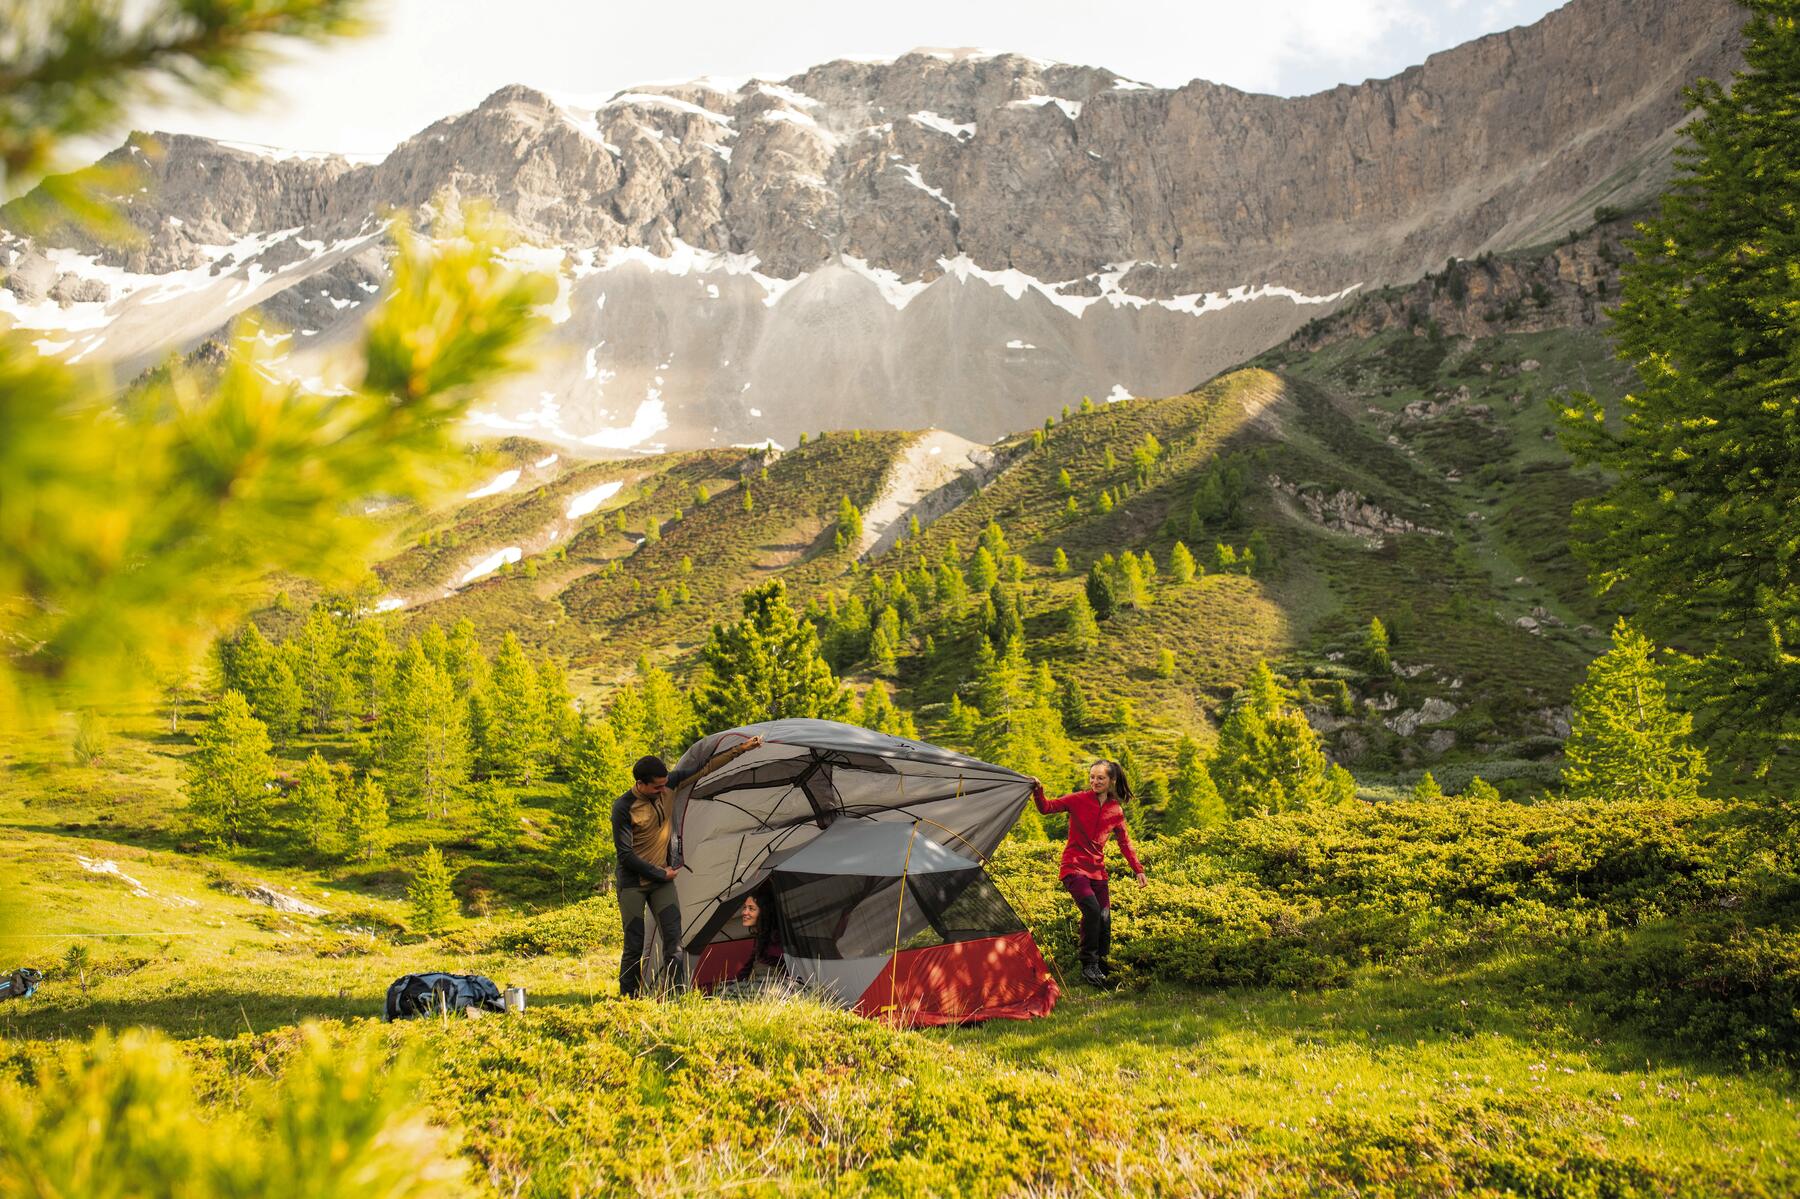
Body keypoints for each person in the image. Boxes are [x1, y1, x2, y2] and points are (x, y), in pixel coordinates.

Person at [614, 735, 761, 998]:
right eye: (657, 787)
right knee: (634, 945)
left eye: (664, 784)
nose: (663, 789)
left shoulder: (670, 783)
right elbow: (625, 855)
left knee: (674, 941)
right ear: (640, 784)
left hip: (661, 882)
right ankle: (628, 999)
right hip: (633, 884)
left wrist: (741, 749)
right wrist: (661, 872)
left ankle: (675, 995)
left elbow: (706, 766)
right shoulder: (624, 808)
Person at [1032, 760, 1147, 987]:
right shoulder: (1077, 799)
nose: (1095, 781)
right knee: (1093, 910)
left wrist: (1138, 870)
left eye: (1100, 778)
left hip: (1098, 872)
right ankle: (1089, 965)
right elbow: (1046, 808)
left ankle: (1104, 965)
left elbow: (1125, 843)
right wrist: (1038, 791)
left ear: (1111, 781)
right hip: (1073, 868)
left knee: (1105, 917)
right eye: (1092, 777)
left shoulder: (1115, 810)